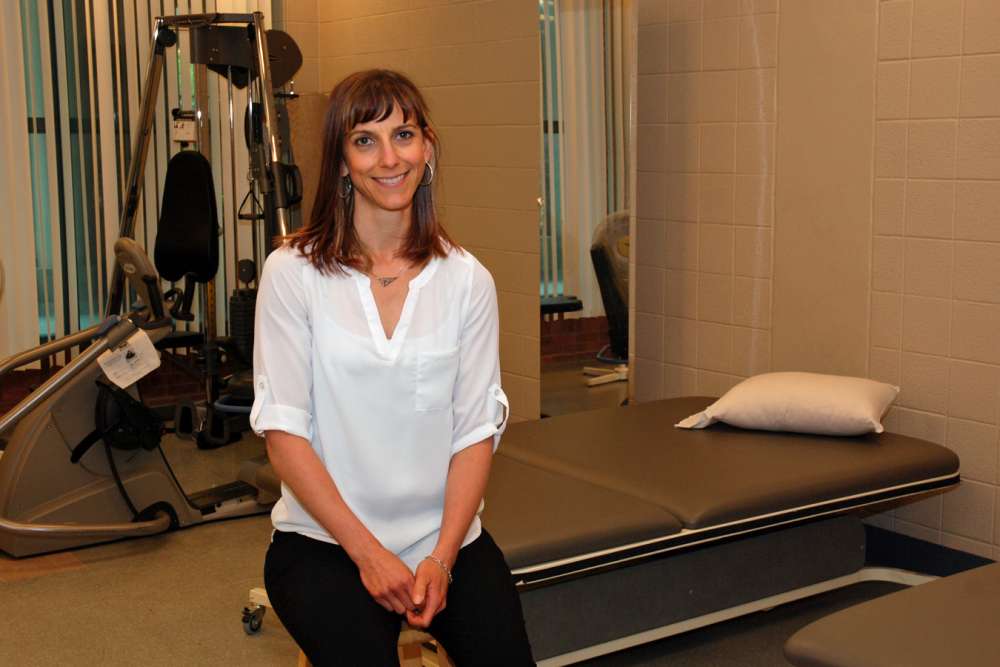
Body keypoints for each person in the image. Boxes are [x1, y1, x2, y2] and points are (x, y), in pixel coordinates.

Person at [250, 69, 535, 666]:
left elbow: (474, 432)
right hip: (324, 543)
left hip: (447, 544)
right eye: (365, 140)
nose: (388, 158)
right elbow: (284, 434)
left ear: (426, 146)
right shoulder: (293, 274)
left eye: (403, 135)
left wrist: (442, 558)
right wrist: (368, 554)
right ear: (341, 159)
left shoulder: (466, 281)